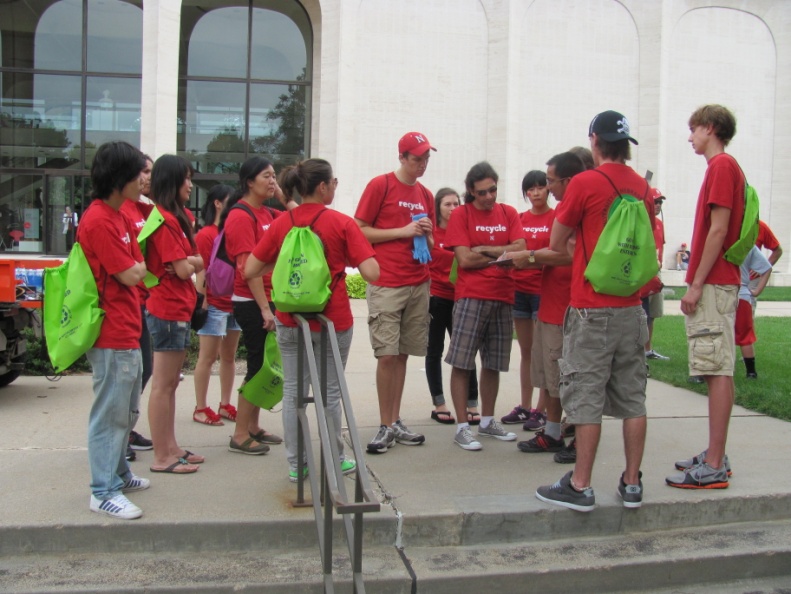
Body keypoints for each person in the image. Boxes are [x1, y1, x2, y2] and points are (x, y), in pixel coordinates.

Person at [536, 110, 652, 512]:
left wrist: (579, 250)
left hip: (592, 308)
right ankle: (632, 483)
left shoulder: (585, 182)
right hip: (632, 308)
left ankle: (580, 485)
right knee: (633, 399)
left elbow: (557, 239)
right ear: (626, 144)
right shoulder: (641, 187)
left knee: (586, 398)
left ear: (594, 141)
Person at [245, 159, 379, 482]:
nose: (335, 186)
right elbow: (372, 273)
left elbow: (249, 269)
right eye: (334, 182)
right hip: (333, 321)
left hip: (290, 320)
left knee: (294, 391)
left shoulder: (282, 223)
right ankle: (337, 459)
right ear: (322, 187)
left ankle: (296, 464)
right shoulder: (341, 223)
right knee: (331, 393)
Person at [666, 104, 746, 490]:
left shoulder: (721, 167)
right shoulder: (724, 168)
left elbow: (718, 230)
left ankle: (714, 463)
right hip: (717, 281)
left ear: (711, 128)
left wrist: (696, 283)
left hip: (713, 283)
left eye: (694, 128)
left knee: (715, 369)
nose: (690, 136)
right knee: (720, 366)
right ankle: (717, 453)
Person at [80, 141, 149, 519]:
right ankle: (102, 490)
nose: (143, 180)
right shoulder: (99, 220)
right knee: (110, 413)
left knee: (127, 408)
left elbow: (138, 264)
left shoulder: (119, 215)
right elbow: (130, 271)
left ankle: (119, 474)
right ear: (119, 176)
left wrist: (136, 266)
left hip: (127, 325)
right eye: (138, 173)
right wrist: (136, 266)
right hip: (110, 332)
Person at [355, 132, 435, 454]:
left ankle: (395, 420)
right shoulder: (381, 185)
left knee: (402, 354)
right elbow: (358, 229)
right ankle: (385, 424)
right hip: (387, 281)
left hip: (418, 280)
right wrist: (402, 231)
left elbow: (430, 241)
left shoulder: (426, 194)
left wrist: (427, 236)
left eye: (426, 158)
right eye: (416, 158)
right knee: (386, 355)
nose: (422, 164)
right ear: (401, 157)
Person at [504, 151, 586, 460]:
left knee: (569, 374)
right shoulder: (568, 207)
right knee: (550, 371)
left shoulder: (574, 208)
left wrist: (530, 257)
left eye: (549, 182)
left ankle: (576, 434)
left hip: (566, 304)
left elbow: (568, 253)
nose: (546, 189)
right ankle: (553, 430)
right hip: (550, 301)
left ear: (567, 180)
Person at [444, 161, 525, 451]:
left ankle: (488, 421)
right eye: (482, 193)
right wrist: (502, 254)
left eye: (492, 190)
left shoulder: (509, 212)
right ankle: (463, 426)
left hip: (503, 296)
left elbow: (521, 249)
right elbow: (464, 260)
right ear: (471, 191)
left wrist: (486, 249)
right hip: (471, 296)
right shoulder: (461, 215)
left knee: (493, 363)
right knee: (462, 362)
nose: (489, 197)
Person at [223, 156, 292, 455]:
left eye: (274, 175)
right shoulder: (240, 216)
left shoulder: (268, 213)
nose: (272, 180)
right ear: (249, 181)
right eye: (266, 176)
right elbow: (246, 268)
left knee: (263, 366)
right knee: (256, 366)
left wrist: (282, 196)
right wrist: (265, 310)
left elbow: (300, 219)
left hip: (266, 298)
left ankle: (253, 426)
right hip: (252, 301)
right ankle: (239, 434)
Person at [144, 154, 204, 474]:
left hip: (177, 308)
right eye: (186, 179)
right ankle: (161, 456)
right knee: (163, 385)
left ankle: (171, 447)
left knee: (170, 385)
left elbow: (192, 261)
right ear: (172, 181)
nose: (191, 186)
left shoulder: (177, 218)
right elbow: (184, 269)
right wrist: (191, 262)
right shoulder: (165, 220)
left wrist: (191, 261)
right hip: (167, 309)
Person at [501, 170, 551, 431]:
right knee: (526, 351)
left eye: (540, 187)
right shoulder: (520, 219)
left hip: (544, 292)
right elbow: (513, 249)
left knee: (543, 352)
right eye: (530, 189)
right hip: (519, 290)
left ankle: (542, 410)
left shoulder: (556, 218)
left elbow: (554, 253)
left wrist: (531, 257)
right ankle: (525, 405)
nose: (535, 193)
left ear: (548, 189)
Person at [425, 188, 479, 425]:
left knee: (465, 352)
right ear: (438, 207)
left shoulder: (464, 230)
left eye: (456, 203)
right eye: (447, 204)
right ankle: (439, 403)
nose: (452, 207)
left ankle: (472, 404)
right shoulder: (432, 232)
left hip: (461, 298)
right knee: (434, 351)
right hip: (436, 297)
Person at [192, 184, 241, 426]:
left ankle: (225, 403)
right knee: (207, 357)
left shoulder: (233, 231)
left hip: (234, 303)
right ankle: (200, 407)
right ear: (218, 203)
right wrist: (202, 303)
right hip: (213, 305)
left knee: (229, 357)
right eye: (231, 201)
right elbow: (201, 271)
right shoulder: (206, 235)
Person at [119, 156, 155, 461]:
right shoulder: (121, 211)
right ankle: (120, 436)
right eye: (144, 172)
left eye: (152, 173)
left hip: (142, 300)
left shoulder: (145, 207)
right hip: (128, 301)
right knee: (128, 375)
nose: (147, 178)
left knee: (144, 368)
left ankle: (127, 429)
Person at [735, 246, 772, 379]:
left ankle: (723, 369)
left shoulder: (720, 238)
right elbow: (767, 268)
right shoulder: (748, 244)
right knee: (745, 335)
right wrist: (756, 291)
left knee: (723, 333)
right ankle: (751, 372)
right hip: (743, 293)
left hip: (726, 291)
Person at [642, 188, 669, 361]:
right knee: (642, 312)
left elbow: (662, 244)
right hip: (644, 272)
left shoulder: (659, 224)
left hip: (656, 272)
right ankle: (638, 349)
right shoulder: (642, 222)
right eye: (655, 201)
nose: (658, 205)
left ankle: (648, 349)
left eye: (660, 202)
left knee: (652, 313)